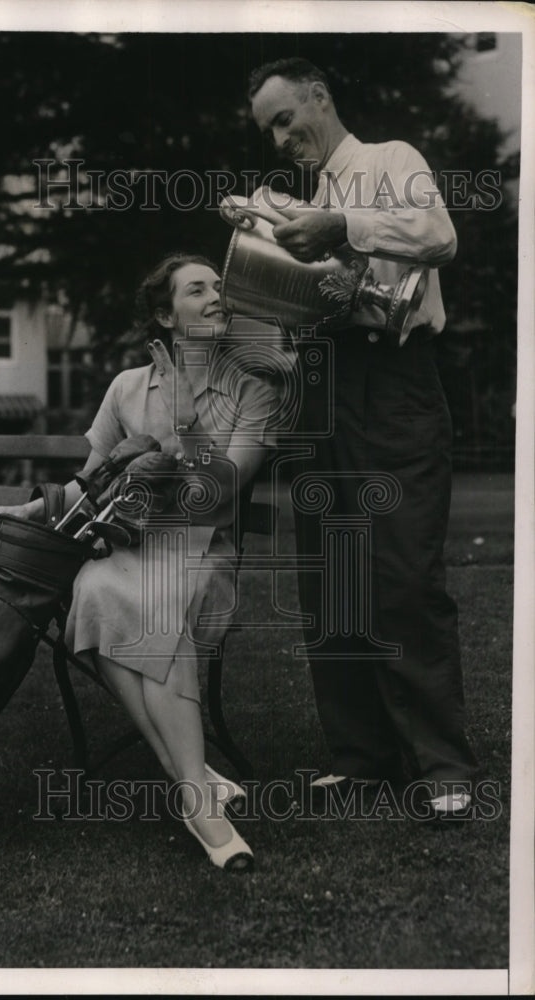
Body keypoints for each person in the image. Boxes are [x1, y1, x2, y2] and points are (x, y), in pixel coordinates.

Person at [0, 253, 280, 869]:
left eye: (219, 287)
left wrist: (184, 415)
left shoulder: (253, 387)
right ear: (164, 314)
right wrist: (27, 510)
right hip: (130, 544)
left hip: (204, 550)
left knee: (158, 609)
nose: (215, 297)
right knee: (95, 589)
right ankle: (194, 785)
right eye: (196, 290)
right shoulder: (125, 387)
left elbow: (221, 490)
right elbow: (91, 484)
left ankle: (194, 796)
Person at [246, 57, 478, 815]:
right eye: (268, 130)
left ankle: (442, 766)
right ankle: (365, 757)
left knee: (403, 571)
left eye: (286, 118)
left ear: (321, 96)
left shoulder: (390, 160)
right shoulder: (303, 204)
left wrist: (341, 224)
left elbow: (439, 236)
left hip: (397, 381)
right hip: (326, 382)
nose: (281, 138)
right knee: (333, 577)